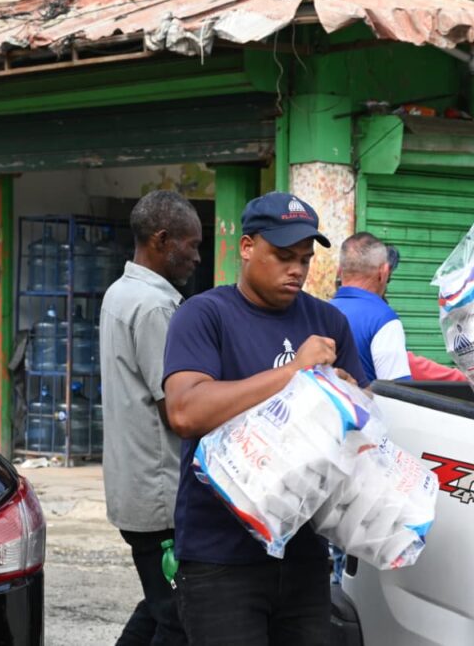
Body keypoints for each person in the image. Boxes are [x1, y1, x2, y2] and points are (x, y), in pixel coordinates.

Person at [161, 192, 366, 646]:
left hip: (304, 554)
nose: (297, 270)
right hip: (220, 557)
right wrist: (295, 372)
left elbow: (362, 426)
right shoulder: (204, 315)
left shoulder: (329, 322)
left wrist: (351, 397)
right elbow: (185, 411)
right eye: (283, 256)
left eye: (305, 259)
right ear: (247, 247)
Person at [100, 189, 201, 646]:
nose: (196, 257)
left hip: (135, 486)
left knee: (161, 604)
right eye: (191, 245)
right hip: (161, 495)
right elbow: (179, 408)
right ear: (161, 240)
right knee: (179, 619)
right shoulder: (155, 306)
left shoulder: (120, 292)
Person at [330, 233, 411, 383]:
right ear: (383, 271)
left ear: (340, 271)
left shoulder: (318, 312)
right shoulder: (383, 319)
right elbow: (398, 392)